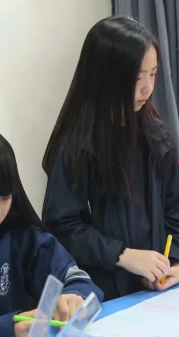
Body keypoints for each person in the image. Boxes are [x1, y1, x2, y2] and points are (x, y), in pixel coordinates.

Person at [41, 16, 179, 301]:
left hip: (155, 290)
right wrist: (122, 255)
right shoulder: (77, 146)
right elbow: (62, 226)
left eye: (153, 74)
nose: (148, 88)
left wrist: (177, 260)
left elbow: (176, 207)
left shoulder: (157, 135)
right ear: (105, 78)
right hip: (102, 292)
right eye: (137, 77)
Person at [0, 134, 103, 337]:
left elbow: (76, 279)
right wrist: (7, 328)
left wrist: (74, 296)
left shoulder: (22, 238)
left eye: (5, 197)